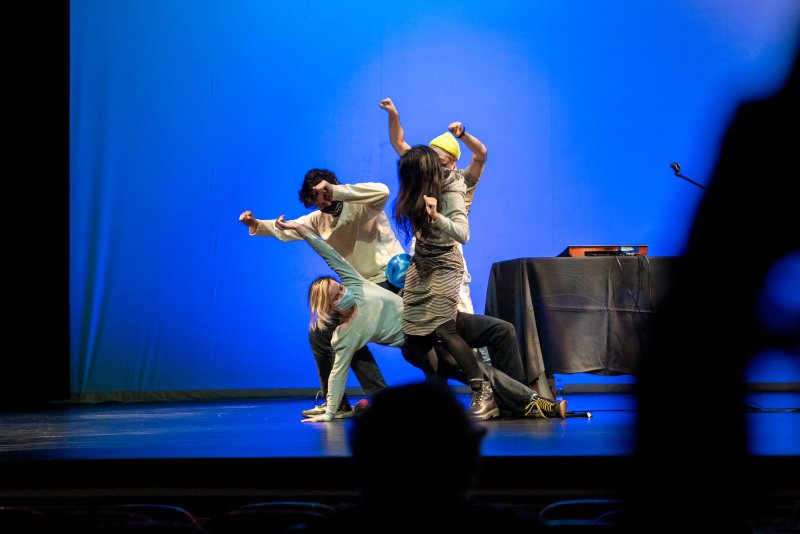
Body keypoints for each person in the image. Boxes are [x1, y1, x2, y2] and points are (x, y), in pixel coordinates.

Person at [275, 217, 566, 421]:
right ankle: (535, 403)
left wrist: (301, 230)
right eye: (337, 296)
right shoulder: (346, 335)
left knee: (502, 331)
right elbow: (337, 374)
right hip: (420, 340)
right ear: (330, 309)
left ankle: (513, 403)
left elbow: (329, 254)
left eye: (341, 288)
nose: (344, 293)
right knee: (476, 370)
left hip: (440, 318)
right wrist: (328, 414)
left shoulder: (358, 286)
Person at [239, 169, 406, 418]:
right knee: (323, 331)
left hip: (389, 283)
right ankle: (338, 402)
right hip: (361, 289)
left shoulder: (361, 202)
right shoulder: (318, 219)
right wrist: (255, 224)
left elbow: (382, 191)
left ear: (334, 185)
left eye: (326, 195)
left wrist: (336, 191)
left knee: (360, 336)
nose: (324, 203)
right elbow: (287, 230)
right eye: (318, 200)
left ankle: (381, 400)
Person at [294, 380, 547, 534]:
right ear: (460, 455)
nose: (480, 436)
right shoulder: (515, 532)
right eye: (474, 436)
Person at [393, 145, 496, 418]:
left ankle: (482, 390)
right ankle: (437, 393)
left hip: (445, 262)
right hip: (421, 263)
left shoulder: (451, 188)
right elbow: (400, 143)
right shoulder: (420, 188)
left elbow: (463, 234)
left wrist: (436, 217)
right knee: (414, 332)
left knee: (443, 327)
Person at [379, 97, 487, 315]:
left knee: (459, 308)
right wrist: (394, 115)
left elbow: (481, 155)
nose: (431, 166)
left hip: (448, 247)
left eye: (438, 161)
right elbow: (399, 143)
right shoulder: (425, 171)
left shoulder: (461, 180)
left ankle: (473, 347)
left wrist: (463, 134)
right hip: (421, 247)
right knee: (420, 309)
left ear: (452, 161)